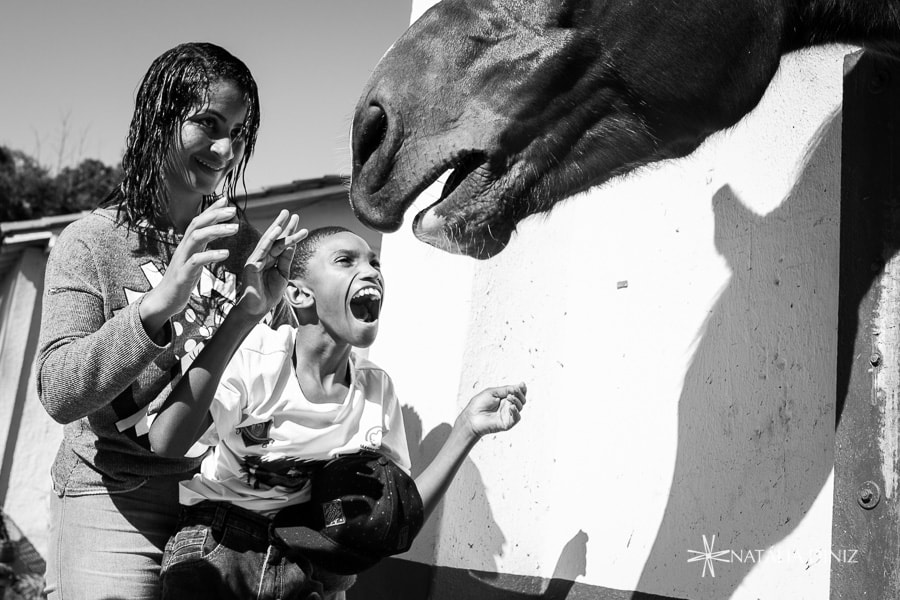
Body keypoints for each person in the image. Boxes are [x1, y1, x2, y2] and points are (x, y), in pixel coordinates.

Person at [36, 42, 306, 600]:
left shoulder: (246, 251)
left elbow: (280, 388)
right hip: (112, 495)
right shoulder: (92, 243)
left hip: (218, 507)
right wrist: (158, 303)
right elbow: (59, 392)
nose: (226, 148)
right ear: (159, 118)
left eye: (238, 130)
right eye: (208, 123)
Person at [148, 226, 528, 599]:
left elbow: (395, 518)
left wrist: (466, 430)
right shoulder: (258, 357)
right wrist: (245, 315)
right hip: (221, 548)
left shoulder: (376, 390)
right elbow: (166, 443)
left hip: (310, 564)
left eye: (375, 262)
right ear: (299, 294)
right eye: (346, 260)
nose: (371, 271)